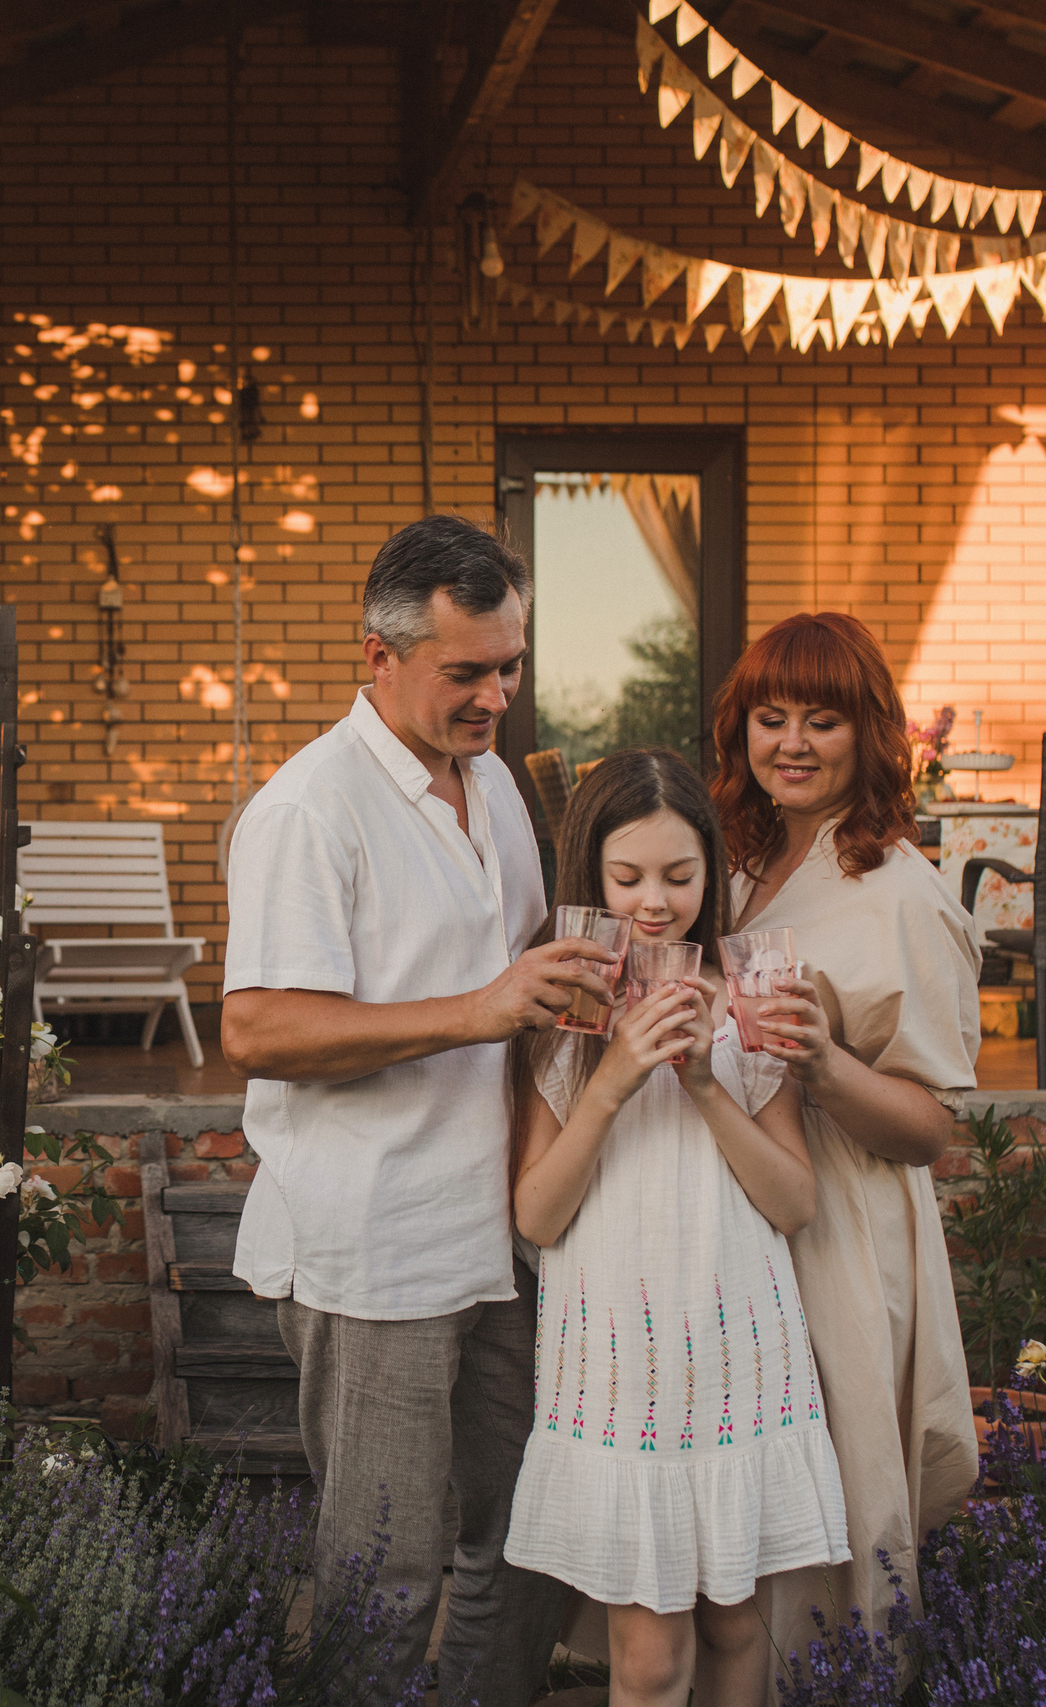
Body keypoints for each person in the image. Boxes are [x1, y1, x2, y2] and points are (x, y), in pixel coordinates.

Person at [219, 514, 619, 1705]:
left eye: (509, 667)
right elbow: (259, 1030)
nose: (496, 695)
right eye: (467, 672)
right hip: (374, 1243)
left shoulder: (492, 783)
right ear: (376, 655)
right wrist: (478, 1008)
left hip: (502, 1228)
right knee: (382, 1572)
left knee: (534, 1532)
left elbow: (514, 967)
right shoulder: (308, 809)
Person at [503, 748, 851, 1707]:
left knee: (739, 1623)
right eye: (627, 878)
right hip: (619, 1359)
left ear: (712, 873)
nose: (653, 902)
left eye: (679, 874)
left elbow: (793, 1201)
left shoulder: (752, 1003)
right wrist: (614, 1079)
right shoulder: (566, 1014)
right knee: (648, 1655)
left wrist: (704, 1082)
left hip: (738, 1343)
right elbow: (536, 1212)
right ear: (590, 875)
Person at [710, 612, 982, 1691]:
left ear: (871, 733)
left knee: (833, 1485)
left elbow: (934, 1131)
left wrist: (825, 1065)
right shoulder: (741, 861)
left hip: (840, 1227)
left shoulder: (899, 892)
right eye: (770, 717)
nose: (791, 742)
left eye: (821, 719)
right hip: (738, 1211)